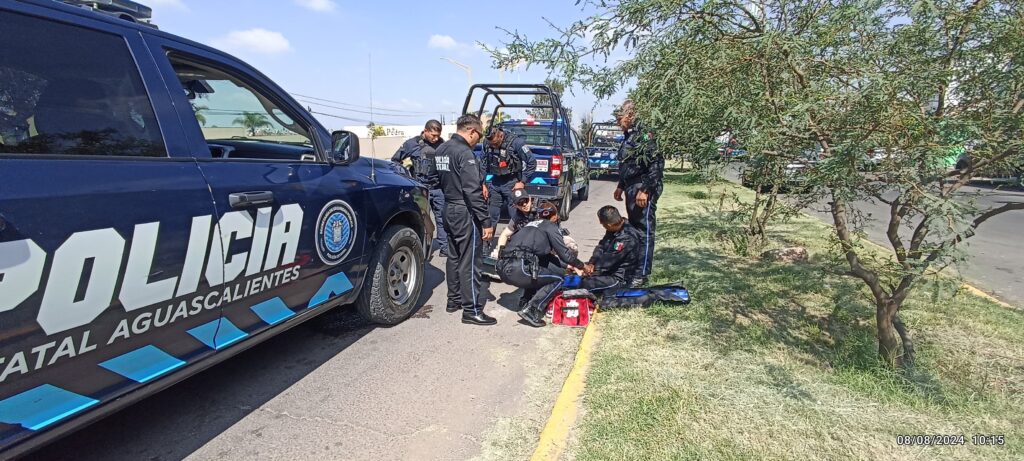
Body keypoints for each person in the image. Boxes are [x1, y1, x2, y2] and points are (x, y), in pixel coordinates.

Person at [434, 114, 496, 325]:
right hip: (464, 210)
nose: (478, 140)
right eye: (478, 136)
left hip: (448, 207)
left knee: (454, 256)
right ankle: (471, 310)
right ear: (471, 131)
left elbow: (435, 179)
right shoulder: (464, 152)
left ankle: (454, 300)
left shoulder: (441, 149)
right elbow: (472, 191)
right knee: (470, 261)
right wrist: (486, 221)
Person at [497, 201, 585, 328]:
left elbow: (546, 258)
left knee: (538, 268)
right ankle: (531, 310)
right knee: (558, 279)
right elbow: (565, 254)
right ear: (554, 216)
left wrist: (567, 266)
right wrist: (582, 266)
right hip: (519, 269)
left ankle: (525, 301)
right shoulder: (550, 226)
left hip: (503, 267)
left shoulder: (529, 225)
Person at [614, 99, 664, 287]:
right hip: (631, 186)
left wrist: (645, 190)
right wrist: (620, 185)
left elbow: (656, 165)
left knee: (645, 231)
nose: (618, 122)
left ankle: (641, 274)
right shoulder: (630, 135)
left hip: (643, 187)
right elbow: (628, 163)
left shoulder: (645, 135)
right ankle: (633, 268)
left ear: (631, 115)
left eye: (620, 117)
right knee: (634, 230)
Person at [392, 120, 448, 256]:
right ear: (425, 131)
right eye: (433, 135)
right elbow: (395, 161)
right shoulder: (412, 144)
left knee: (442, 219)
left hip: (438, 188)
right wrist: (406, 178)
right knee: (421, 220)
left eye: (437, 135)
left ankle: (445, 248)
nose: (435, 138)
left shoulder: (442, 144)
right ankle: (420, 250)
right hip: (420, 189)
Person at [483, 126, 536, 245]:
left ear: (501, 136)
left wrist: (522, 181)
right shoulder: (487, 144)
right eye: (491, 144)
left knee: (517, 217)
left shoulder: (516, 143)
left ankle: (519, 245)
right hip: (495, 182)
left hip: (513, 183)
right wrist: (483, 183)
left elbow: (532, 162)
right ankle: (486, 246)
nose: (493, 146)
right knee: (491, 216)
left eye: (496, 143)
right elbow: (483, 164)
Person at [577, 206, 642, 293]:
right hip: (608, 270)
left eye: (603, 224)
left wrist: (591, 271)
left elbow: (609, 259)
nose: (603, 226)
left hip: (619, 277)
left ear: (609, 225)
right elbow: (601, 246)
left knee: (585, 283)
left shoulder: (627, 238)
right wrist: (592, 262)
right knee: (576, 274)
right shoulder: (614, 228)